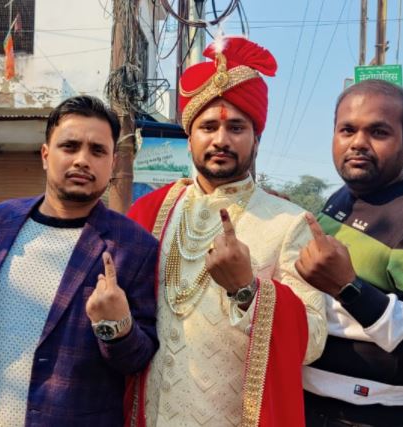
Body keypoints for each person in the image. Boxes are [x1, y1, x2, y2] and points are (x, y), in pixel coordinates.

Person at [126, 36, 327, 427]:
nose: (221, 139)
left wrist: (246, 290)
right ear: (190, 138)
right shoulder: (151, 212)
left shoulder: (289, 223)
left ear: (257, 139)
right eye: (208, 127)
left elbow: (313, 341)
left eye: (236, 127)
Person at [0, 95, 159, 426]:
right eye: (70, 146)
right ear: (45, 155)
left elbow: (139, 360)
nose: (82, 160)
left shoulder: (135, 248)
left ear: (112, 164)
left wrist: (117, 326)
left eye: (97, 151)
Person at [295, 79, 403, 427]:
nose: (358, 143)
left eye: (378, 132)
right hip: (307, 407)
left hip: (370, 418)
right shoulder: (342, 198)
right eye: (347, 130)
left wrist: (349, 288)